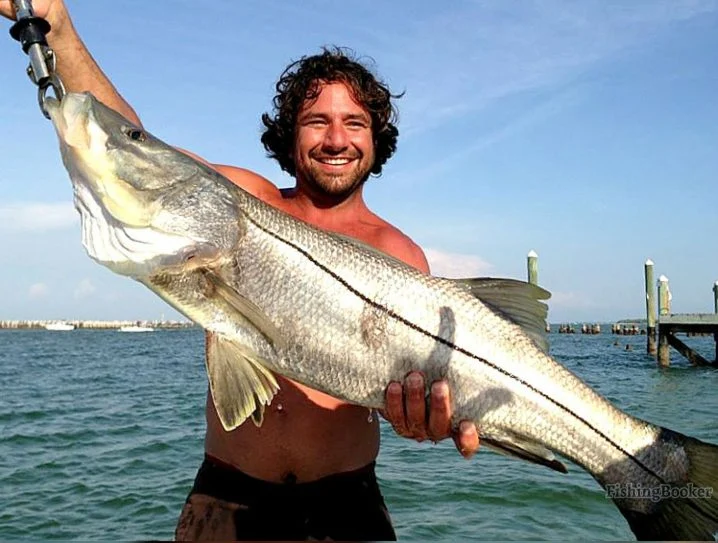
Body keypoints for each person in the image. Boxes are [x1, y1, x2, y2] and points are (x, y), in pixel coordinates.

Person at [1, 1, 480, 540]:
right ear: (290, 135)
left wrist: (424, 421)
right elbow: (139, 149)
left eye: (355, 123)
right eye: (316, 121)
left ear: (374, 137)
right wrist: (57, 29)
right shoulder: (243, 200)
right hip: (226, 497)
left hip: (349, 506)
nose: (336, 139)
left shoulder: (403, 255)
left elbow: (419, 396)